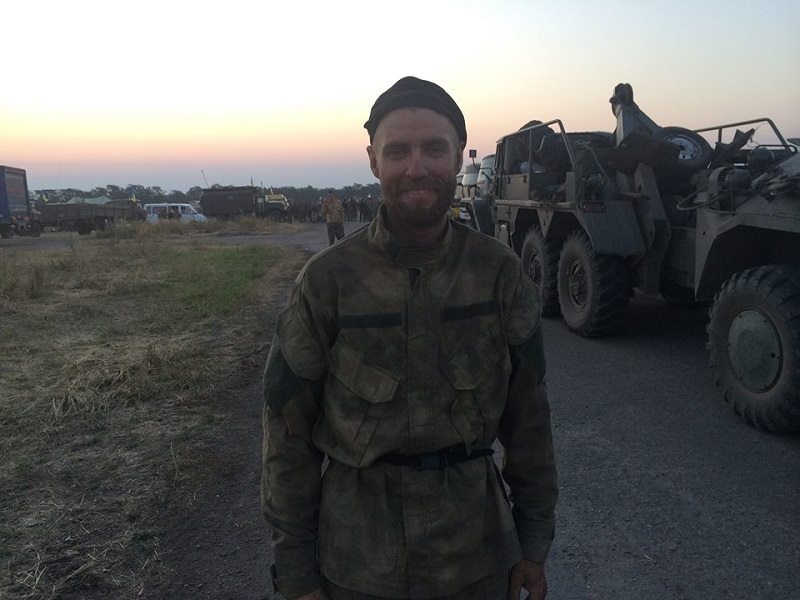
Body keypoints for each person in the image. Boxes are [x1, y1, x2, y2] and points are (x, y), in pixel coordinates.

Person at [261, 76, 558, 600]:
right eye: (397, 151)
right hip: (357, 566)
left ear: (459, 155)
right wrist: (297, 574)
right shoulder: (327, 282)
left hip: (477, 558)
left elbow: (529, 419)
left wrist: (533, 545)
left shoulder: (499, 274)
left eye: (434, 149)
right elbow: (287, 436)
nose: (416, 167)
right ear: (373, 161)